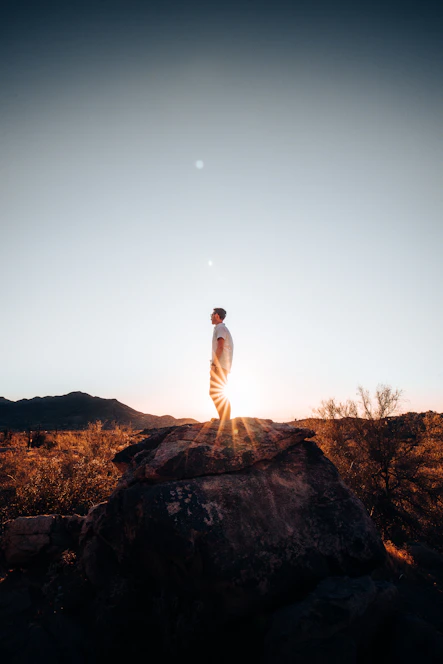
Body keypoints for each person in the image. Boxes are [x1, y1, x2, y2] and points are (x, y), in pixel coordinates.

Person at [209, 308, 234, 421]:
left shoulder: (220, 328)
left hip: (220, 365)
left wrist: (214, 364)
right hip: (223, 366)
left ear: (217, 316)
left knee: (215, 392)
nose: (211, 316)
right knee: (217, 392)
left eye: (212, 314)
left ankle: (225, 420)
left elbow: (220, 347)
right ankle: (224, 419)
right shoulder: (221, 328)